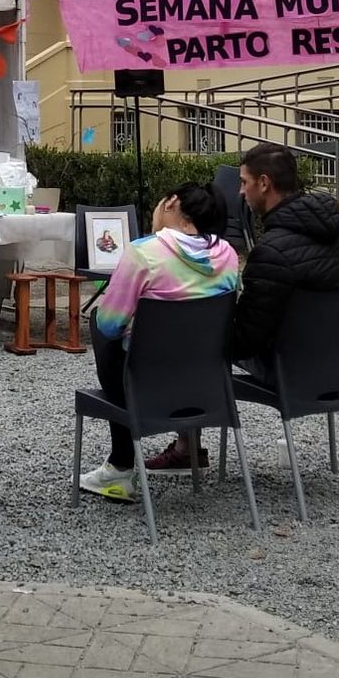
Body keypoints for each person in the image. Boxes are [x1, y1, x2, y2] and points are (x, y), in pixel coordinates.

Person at [74, 183, 240, 501]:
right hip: (206, 386)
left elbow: (110, 325)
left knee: (100, 323)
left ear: (172, 203)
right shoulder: (228, 256)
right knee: (192, 340)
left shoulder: (144, 253)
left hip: (147, 385)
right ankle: (188, 444)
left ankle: (121, 467)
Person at [232, 143, 339, 370]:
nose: (241, 192)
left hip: (293, 371)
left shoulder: (270, 253)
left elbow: (244, 341)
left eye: (244, 182)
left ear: (264, 183)